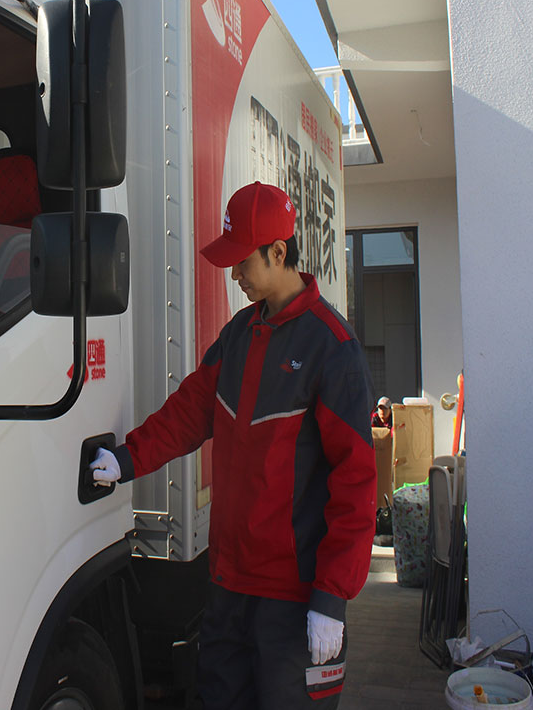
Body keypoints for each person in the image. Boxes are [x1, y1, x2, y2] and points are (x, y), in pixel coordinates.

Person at [90, 181, 377, 709]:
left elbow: (355, 483)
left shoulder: (332, 349)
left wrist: (331, 597)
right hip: (228, 589)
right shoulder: (239, 335)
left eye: (242, 262)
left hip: (293, 602)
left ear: (278, 253)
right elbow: (188, 412)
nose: (234, 275)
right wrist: (127, 459)